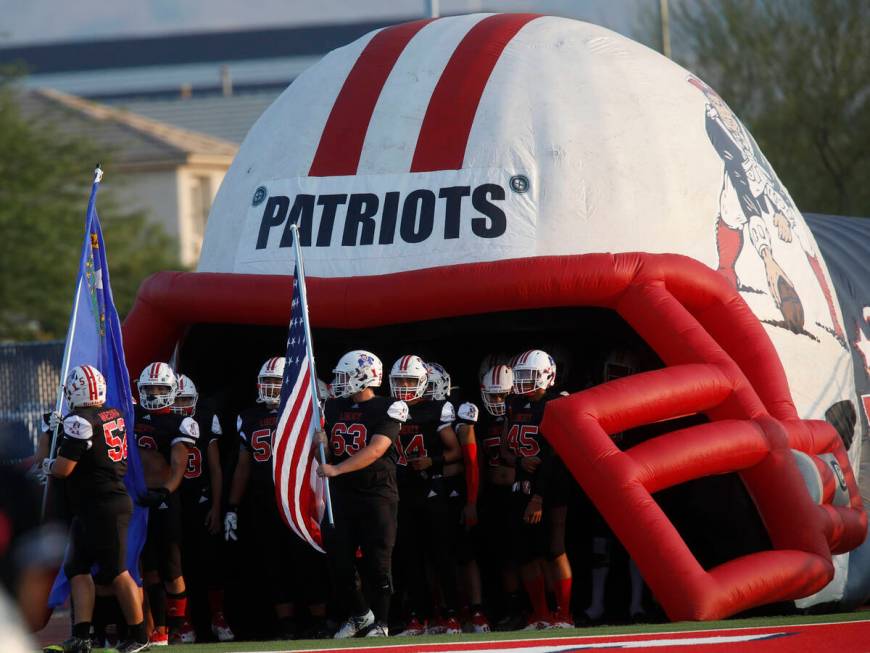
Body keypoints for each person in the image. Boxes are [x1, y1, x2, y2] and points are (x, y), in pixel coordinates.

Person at [42, 365, 150, 653]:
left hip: (104, 504)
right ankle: (81, 636)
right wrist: (58, 429)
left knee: (117, 572)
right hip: (95, 504)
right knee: (77, 568)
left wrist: (47, 461)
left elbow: (63, 469)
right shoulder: (111, 414)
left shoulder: (79, 421)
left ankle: (140, 636)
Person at [225, 357, 329, 639]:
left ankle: (319, 620)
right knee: (274, 562)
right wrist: (232, 506)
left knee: (306, 559)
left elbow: (322, 456)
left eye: (275, 381)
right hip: (263, 498)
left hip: (296, 494)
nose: (269, 387)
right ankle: (287, 624)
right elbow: (243, 466)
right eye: (267, 381)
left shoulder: (305, 411)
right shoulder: (248, 416)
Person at [316, 350, 407, 638]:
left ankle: (381, 622)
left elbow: (376, 449)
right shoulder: (332, 407)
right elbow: (326, 456)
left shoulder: (389, 407)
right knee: (337, 559)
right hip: (342, 495)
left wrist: (337, 469)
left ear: (364, 376)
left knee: (378, 562)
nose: (339, 382)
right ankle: (360, 614)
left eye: (345, 376)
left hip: (376, 494)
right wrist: (321, 446)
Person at [388, 355, 462, 636]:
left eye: (409, 380)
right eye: (399, 381)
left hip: (432, 489)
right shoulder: (388, 410)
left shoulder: (437, 409)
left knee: (441, 556)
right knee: (410, 558)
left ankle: (451, 615)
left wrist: (431, 461)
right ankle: (419, 617)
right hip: (401, 493)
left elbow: (456, 452)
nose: (404, 386)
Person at [501, 350, 572, 630]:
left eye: (528, 376)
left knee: (554, 549)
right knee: (526, 553)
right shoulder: (514, 403)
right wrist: (520, 460)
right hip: (522, 484)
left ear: (547, 376)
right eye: (519, 376)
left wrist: (539, 497)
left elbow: (556, 456)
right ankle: (540, 614)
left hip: (552, 485)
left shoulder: (557, 404)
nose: (522, 382)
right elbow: (506, 449)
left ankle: (564, 614)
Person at [134, 362, 200, 646]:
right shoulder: (132, 414)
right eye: (150, 388)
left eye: (161, 387)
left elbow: (178, 465)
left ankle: (179, 626)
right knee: (148, 569)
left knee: (172, 569)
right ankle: (158, 629)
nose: (156, 392)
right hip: (137, 499)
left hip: (163, 499)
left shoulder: (180, 422)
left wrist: (165, 491)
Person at [427, 362, 490, 633]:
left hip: (457, 488)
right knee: (436, 554)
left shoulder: (457, 411)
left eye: (427, 385)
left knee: (465, 553)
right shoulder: (411, 411)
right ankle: (444, 610)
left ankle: (476, 611)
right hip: (430, 488)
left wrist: (472, 501)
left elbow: (472, 461)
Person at [172, 374, 235, 642]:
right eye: (177, 399)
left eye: (186, 399)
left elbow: (215, 468)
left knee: (210, 564)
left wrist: (217, 507)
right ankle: (183, 622)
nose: (181, 405)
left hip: (201, 500)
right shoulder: (163, 422)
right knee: (176, 565)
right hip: (173, 502)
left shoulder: (206, 418)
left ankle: (218, 617)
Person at [478, 362, 525, 631]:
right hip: (493, 495)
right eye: (493, 395)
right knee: (499, 556)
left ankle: (528, 609)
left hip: (517, 492)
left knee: (522, 555)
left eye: (502, 395)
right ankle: (508, 608)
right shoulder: (482, 421)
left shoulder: (522, 416)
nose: (497, 401)